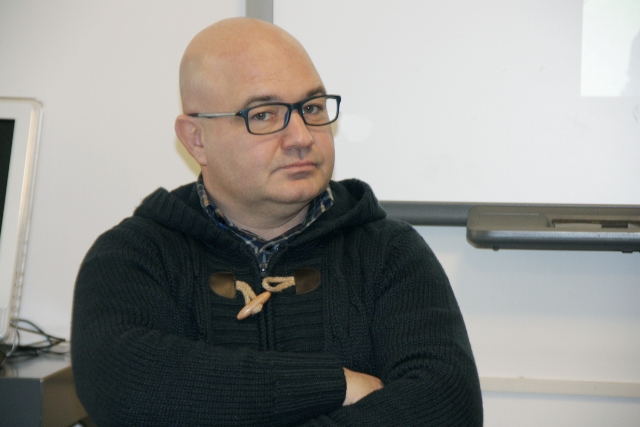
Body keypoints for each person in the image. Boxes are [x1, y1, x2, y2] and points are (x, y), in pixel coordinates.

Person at [71, 17, 483, 426]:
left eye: (312, 108)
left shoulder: (389, 251)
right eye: (265, 115)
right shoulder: (134, 256)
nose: (302, 137)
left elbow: (447, 406)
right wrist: (335, 385)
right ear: (197, 139)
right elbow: (126, 389)